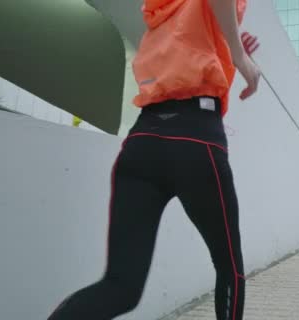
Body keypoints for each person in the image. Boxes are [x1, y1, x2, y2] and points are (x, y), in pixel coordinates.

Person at [48, 0, 260, 319]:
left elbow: (187, 69)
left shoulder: (163, 11)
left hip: (143, 141)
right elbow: (198, 83)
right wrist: (240, 55)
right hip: (195, 139)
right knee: (230, 267)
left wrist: (229, 48)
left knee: (121, 287)